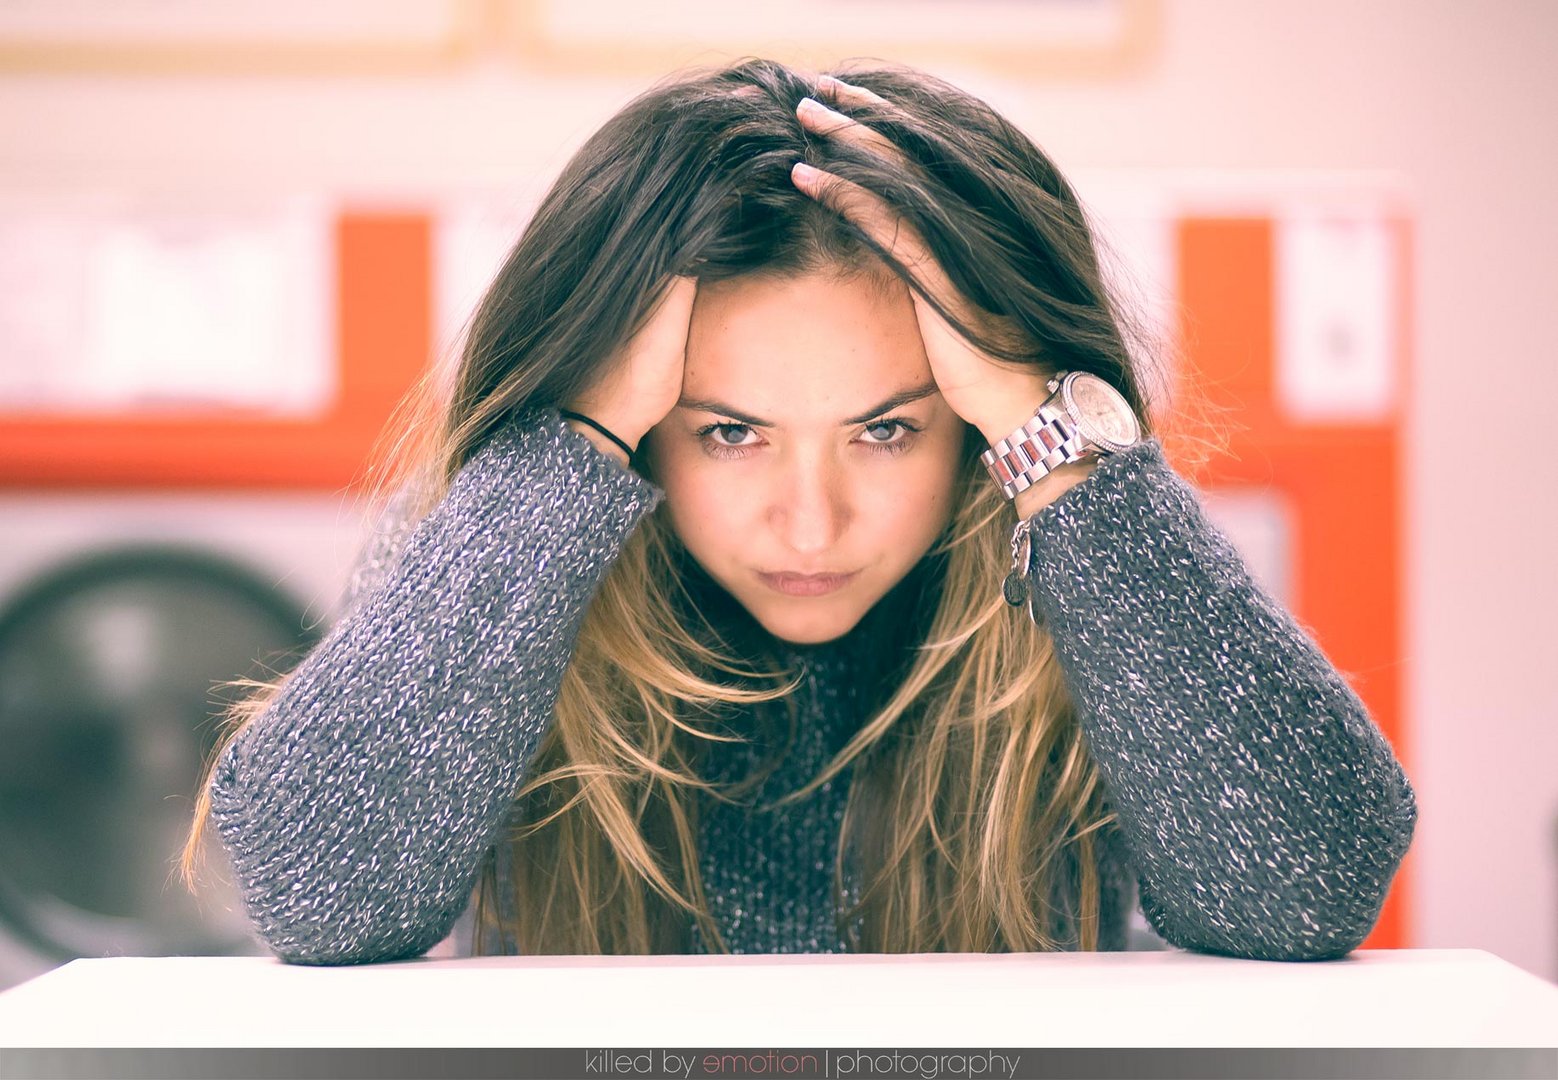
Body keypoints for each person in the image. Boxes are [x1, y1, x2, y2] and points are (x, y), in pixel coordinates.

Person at [178, 58, 1416, 964]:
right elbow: (314, 893)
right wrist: (566, 449)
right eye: (728, 431)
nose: (810, 526)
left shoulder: (1083, 542)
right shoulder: (501, 555)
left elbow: (1306, 894)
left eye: (887, 429)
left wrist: (1064, 458)